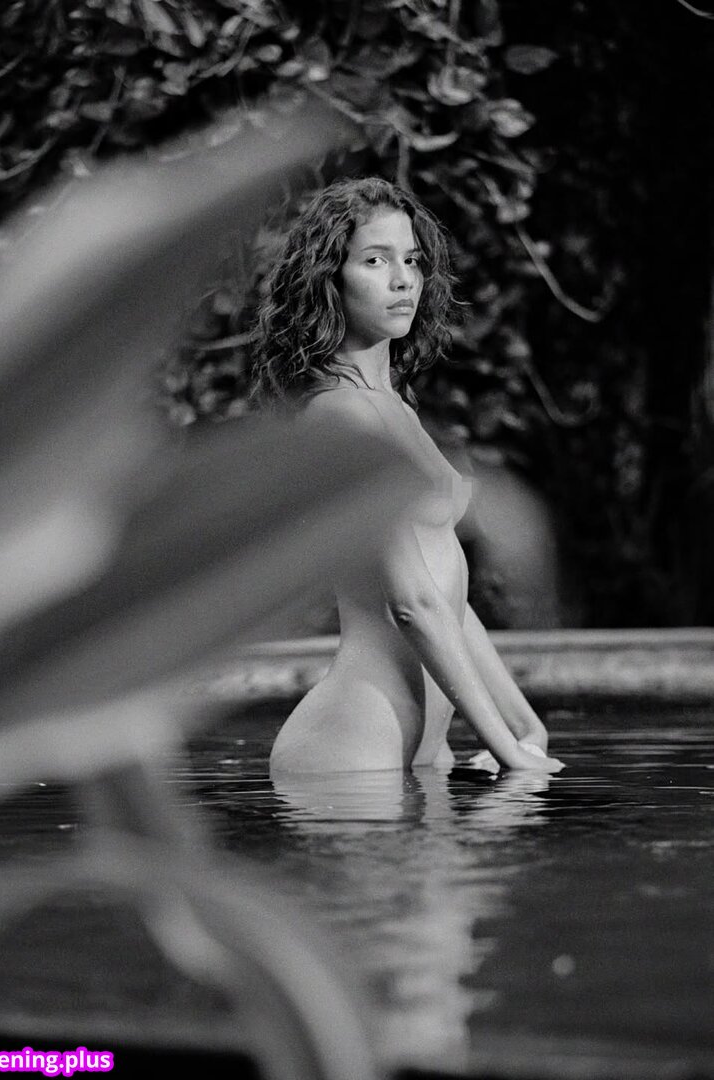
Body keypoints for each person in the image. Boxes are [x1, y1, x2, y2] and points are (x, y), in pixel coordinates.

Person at [252, 177, 563, 775]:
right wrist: (508, 753)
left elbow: (445, 595)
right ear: (329, 280)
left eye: (412, 260)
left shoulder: (392, 407)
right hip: (354, 743)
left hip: (419, 751)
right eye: (375, 260)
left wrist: (525, 725)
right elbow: (412, 604)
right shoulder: (342, 413)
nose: (403, 280)